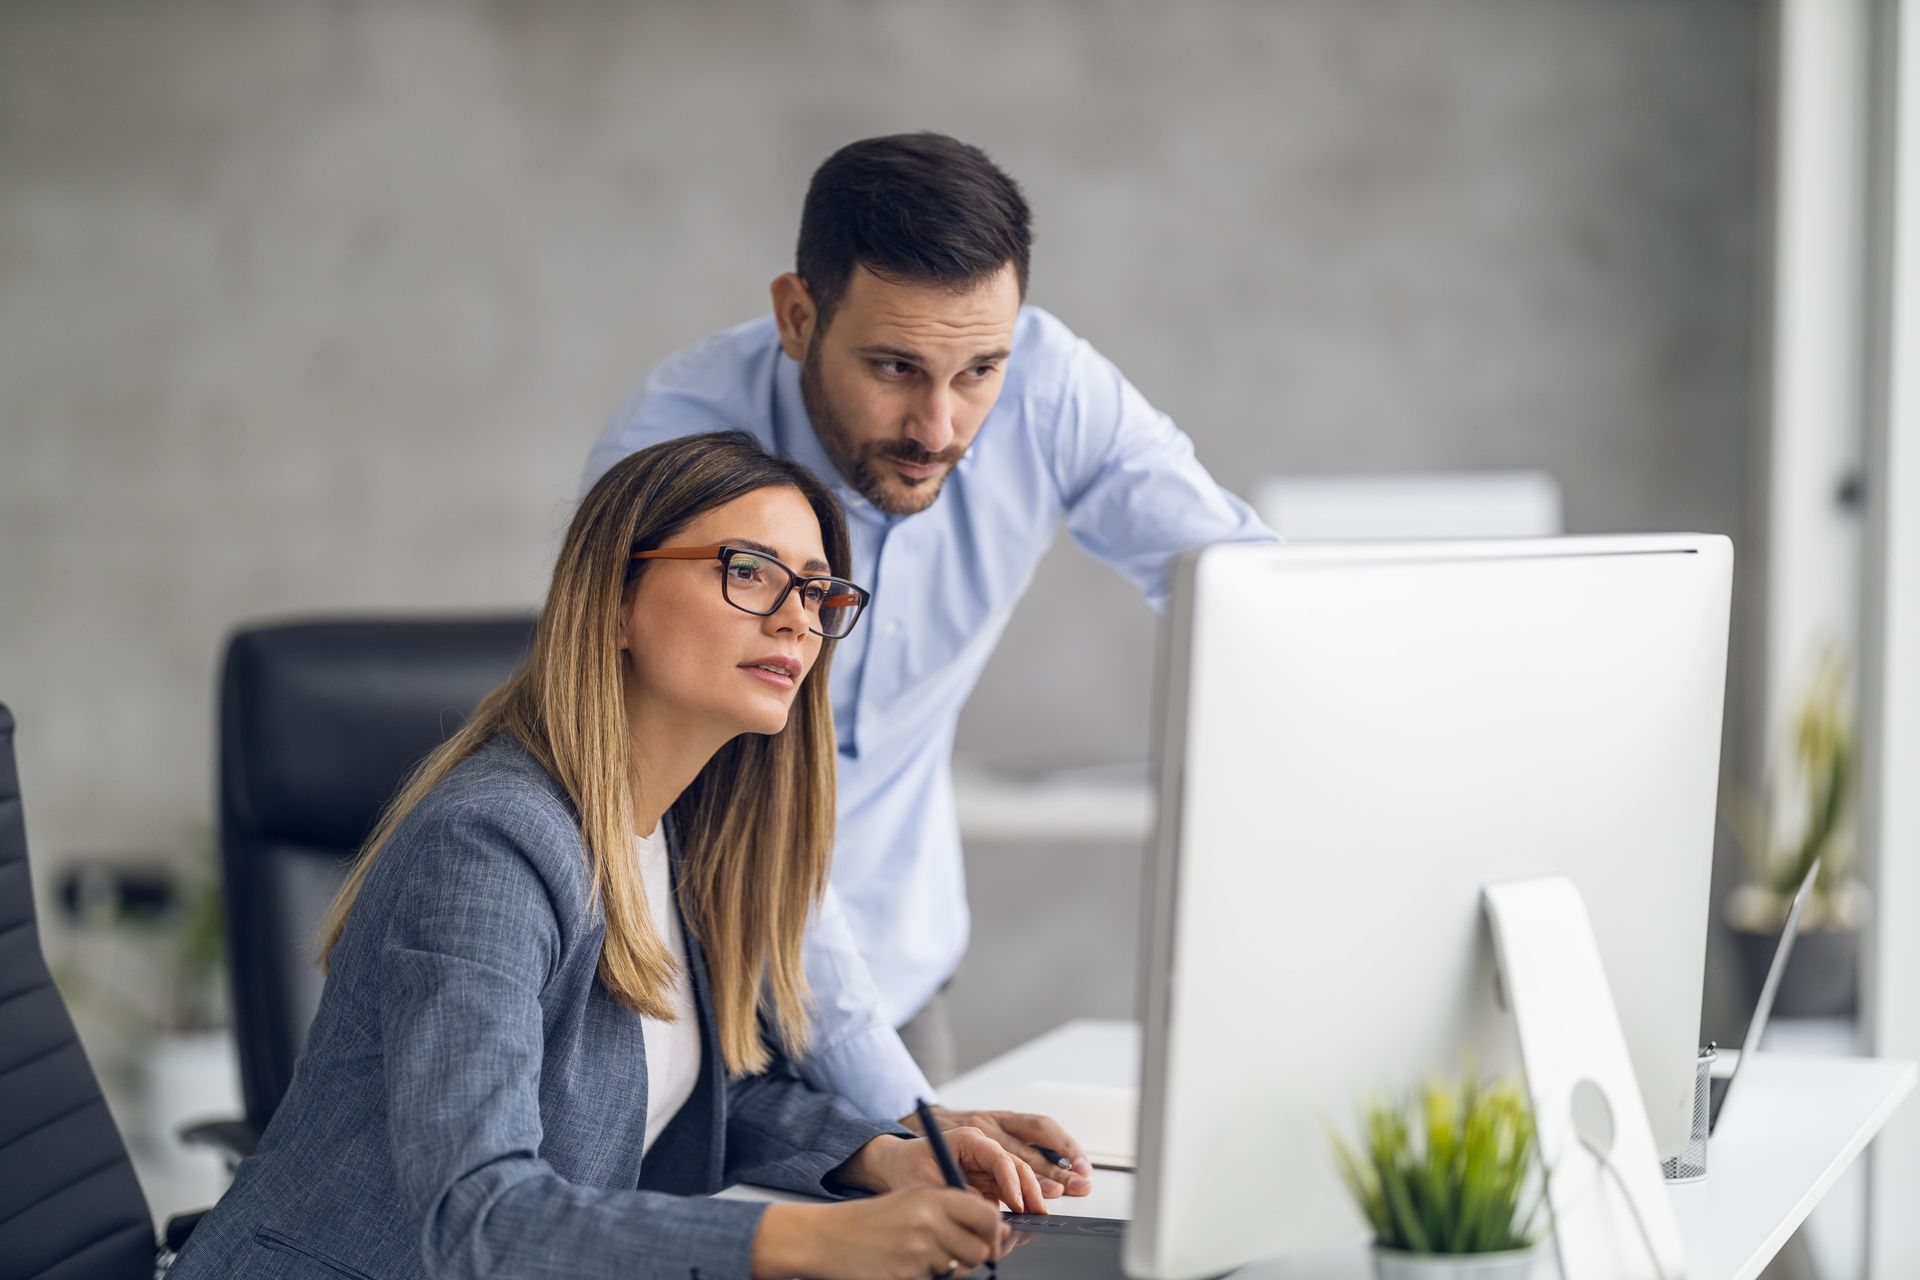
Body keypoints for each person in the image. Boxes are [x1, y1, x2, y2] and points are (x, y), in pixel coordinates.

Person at [165, 431, 1051, 1280]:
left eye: (819, 593)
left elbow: (678, 1104)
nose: (796, 620)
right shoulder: (491, 846)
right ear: (618, 600)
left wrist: (881, 1159)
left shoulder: (682, 832)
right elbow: (477, 1214)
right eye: (749, 571)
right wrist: (804, 1244)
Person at [586, 132, 1275, 1170]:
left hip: (893, 972)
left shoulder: (1049, 388)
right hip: (676, 980)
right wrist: (917, 1118)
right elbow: (741, 811)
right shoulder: (678, 454)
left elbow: (1246, 595)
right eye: (894, 367)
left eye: (978, 370)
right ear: (797, 316)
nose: (939, 424)